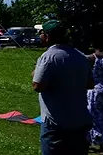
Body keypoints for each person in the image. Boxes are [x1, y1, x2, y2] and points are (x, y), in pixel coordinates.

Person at [33, 20, 93, 155]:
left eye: (41, 33)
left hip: (56, 123)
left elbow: (38, 86)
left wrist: (36, 73)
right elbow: (90, 84)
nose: (40, 36)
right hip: (80, 120)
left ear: (48, 36)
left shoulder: (48, 56)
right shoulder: (81, 56)